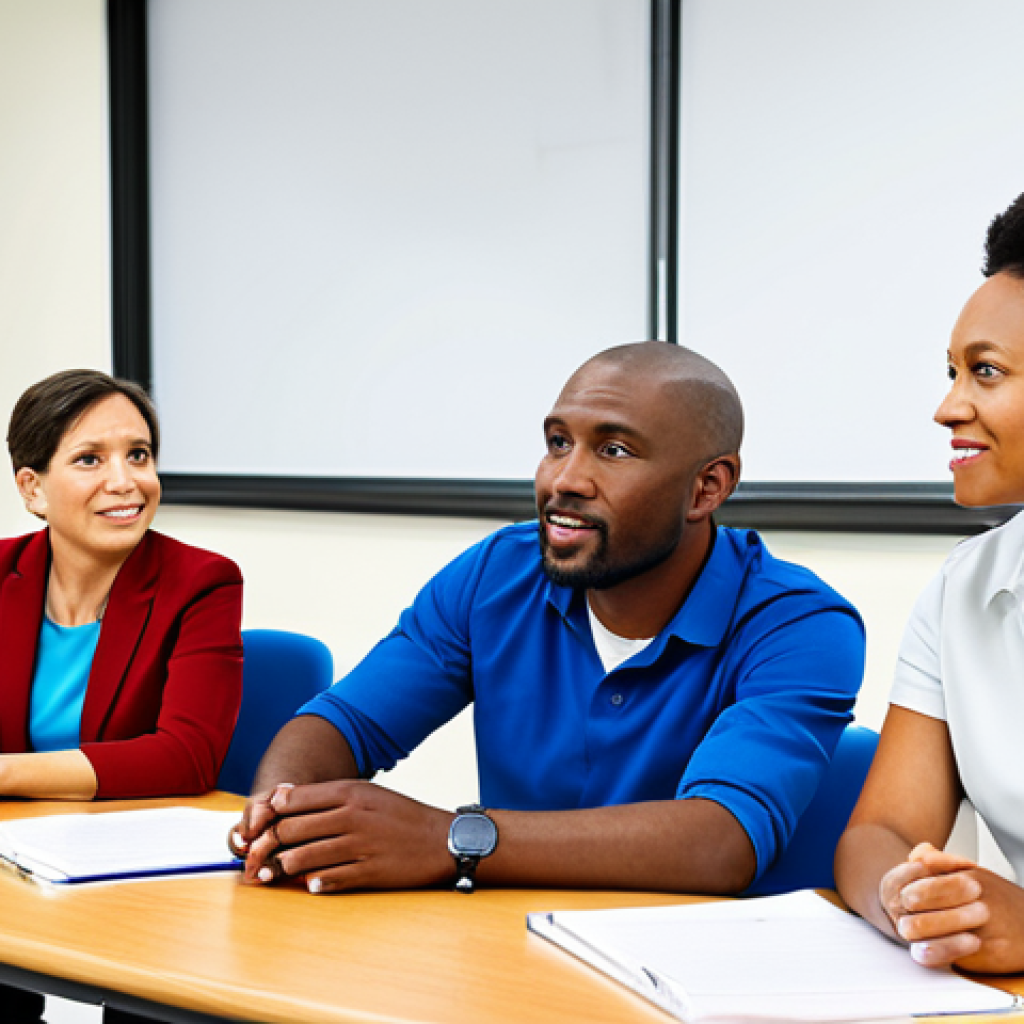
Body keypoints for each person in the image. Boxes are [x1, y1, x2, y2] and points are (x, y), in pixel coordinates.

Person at [234, 341, 864, 897]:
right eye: (558, 442)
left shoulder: (800, 623)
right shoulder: (495, 573)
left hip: (690, 966)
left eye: (613, 450)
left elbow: (722, 841)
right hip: (509, 947)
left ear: (707, 487)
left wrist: (452, 840)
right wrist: (279, 811)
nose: (564, 479)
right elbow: (344, 724)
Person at [0, 369, 243, 1023]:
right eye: (90, 459)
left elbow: (186, 756)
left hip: (140, 882)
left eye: (138, 454)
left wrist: (5, 773)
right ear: (33, 488)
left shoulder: (201, 582)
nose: (126, 480)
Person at [835, 192, 1024, 975]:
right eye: (953, 373)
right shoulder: (962, 590)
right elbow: (874, 835)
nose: (949, 407)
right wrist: (913, 899)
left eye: (986, 372)